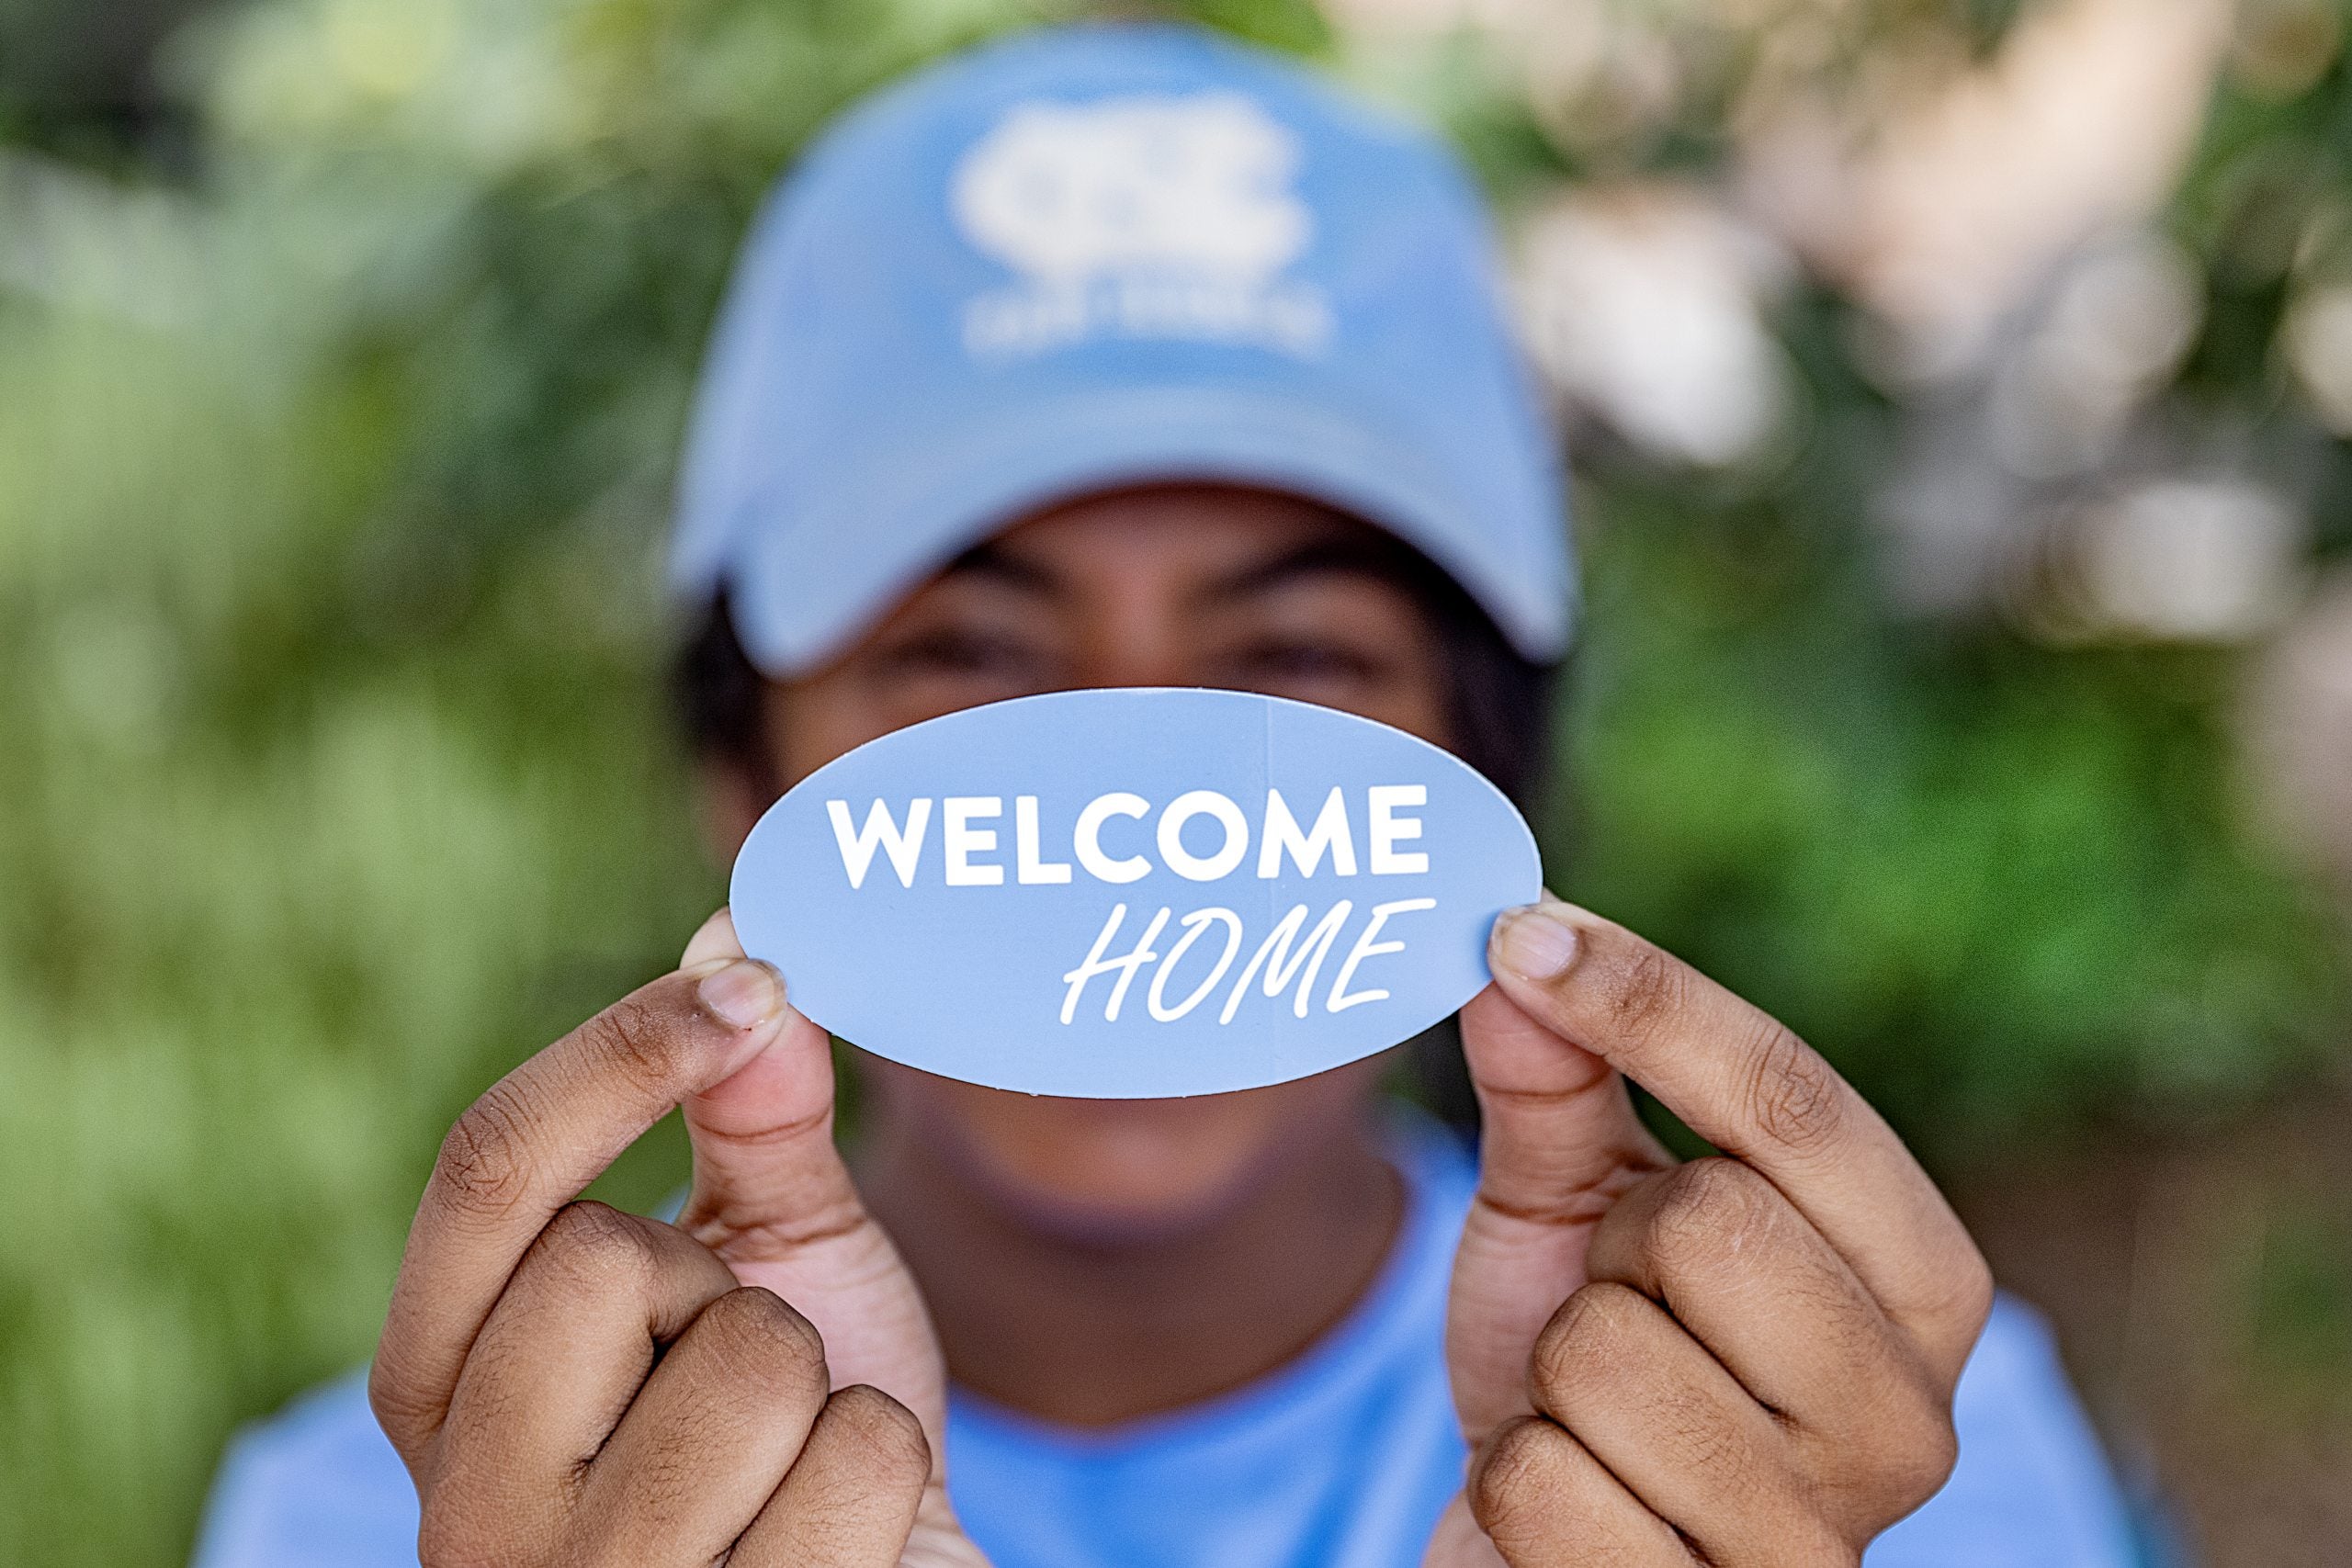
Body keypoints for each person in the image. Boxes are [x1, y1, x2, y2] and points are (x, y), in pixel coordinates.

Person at [197, 23, 2143, 1568]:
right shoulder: (408, 1519)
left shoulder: (1855, 1448)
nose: (1127, 805)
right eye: (968, 657)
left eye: (1293, 658)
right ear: (744, 778)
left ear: (1483, 772)